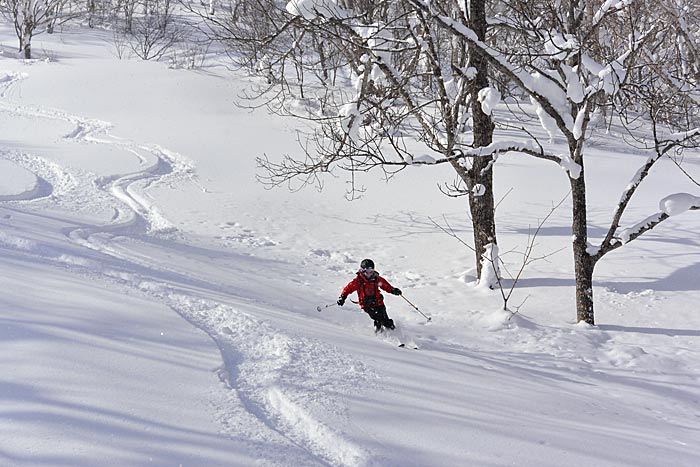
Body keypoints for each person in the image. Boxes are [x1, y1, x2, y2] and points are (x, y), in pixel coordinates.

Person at [337, 259, 402, 333]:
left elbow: (386, 286)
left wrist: (393, 290)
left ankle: (394, 333)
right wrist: (343, 297)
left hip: (378, 303)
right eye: (367, 271)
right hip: (367, 305)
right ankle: (379, 335)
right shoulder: (358, 281)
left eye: (371, 271)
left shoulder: (376, 279)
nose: (369, 274)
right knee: (378, 318)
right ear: (362, 271)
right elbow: (348, 289)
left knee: (386, 321)